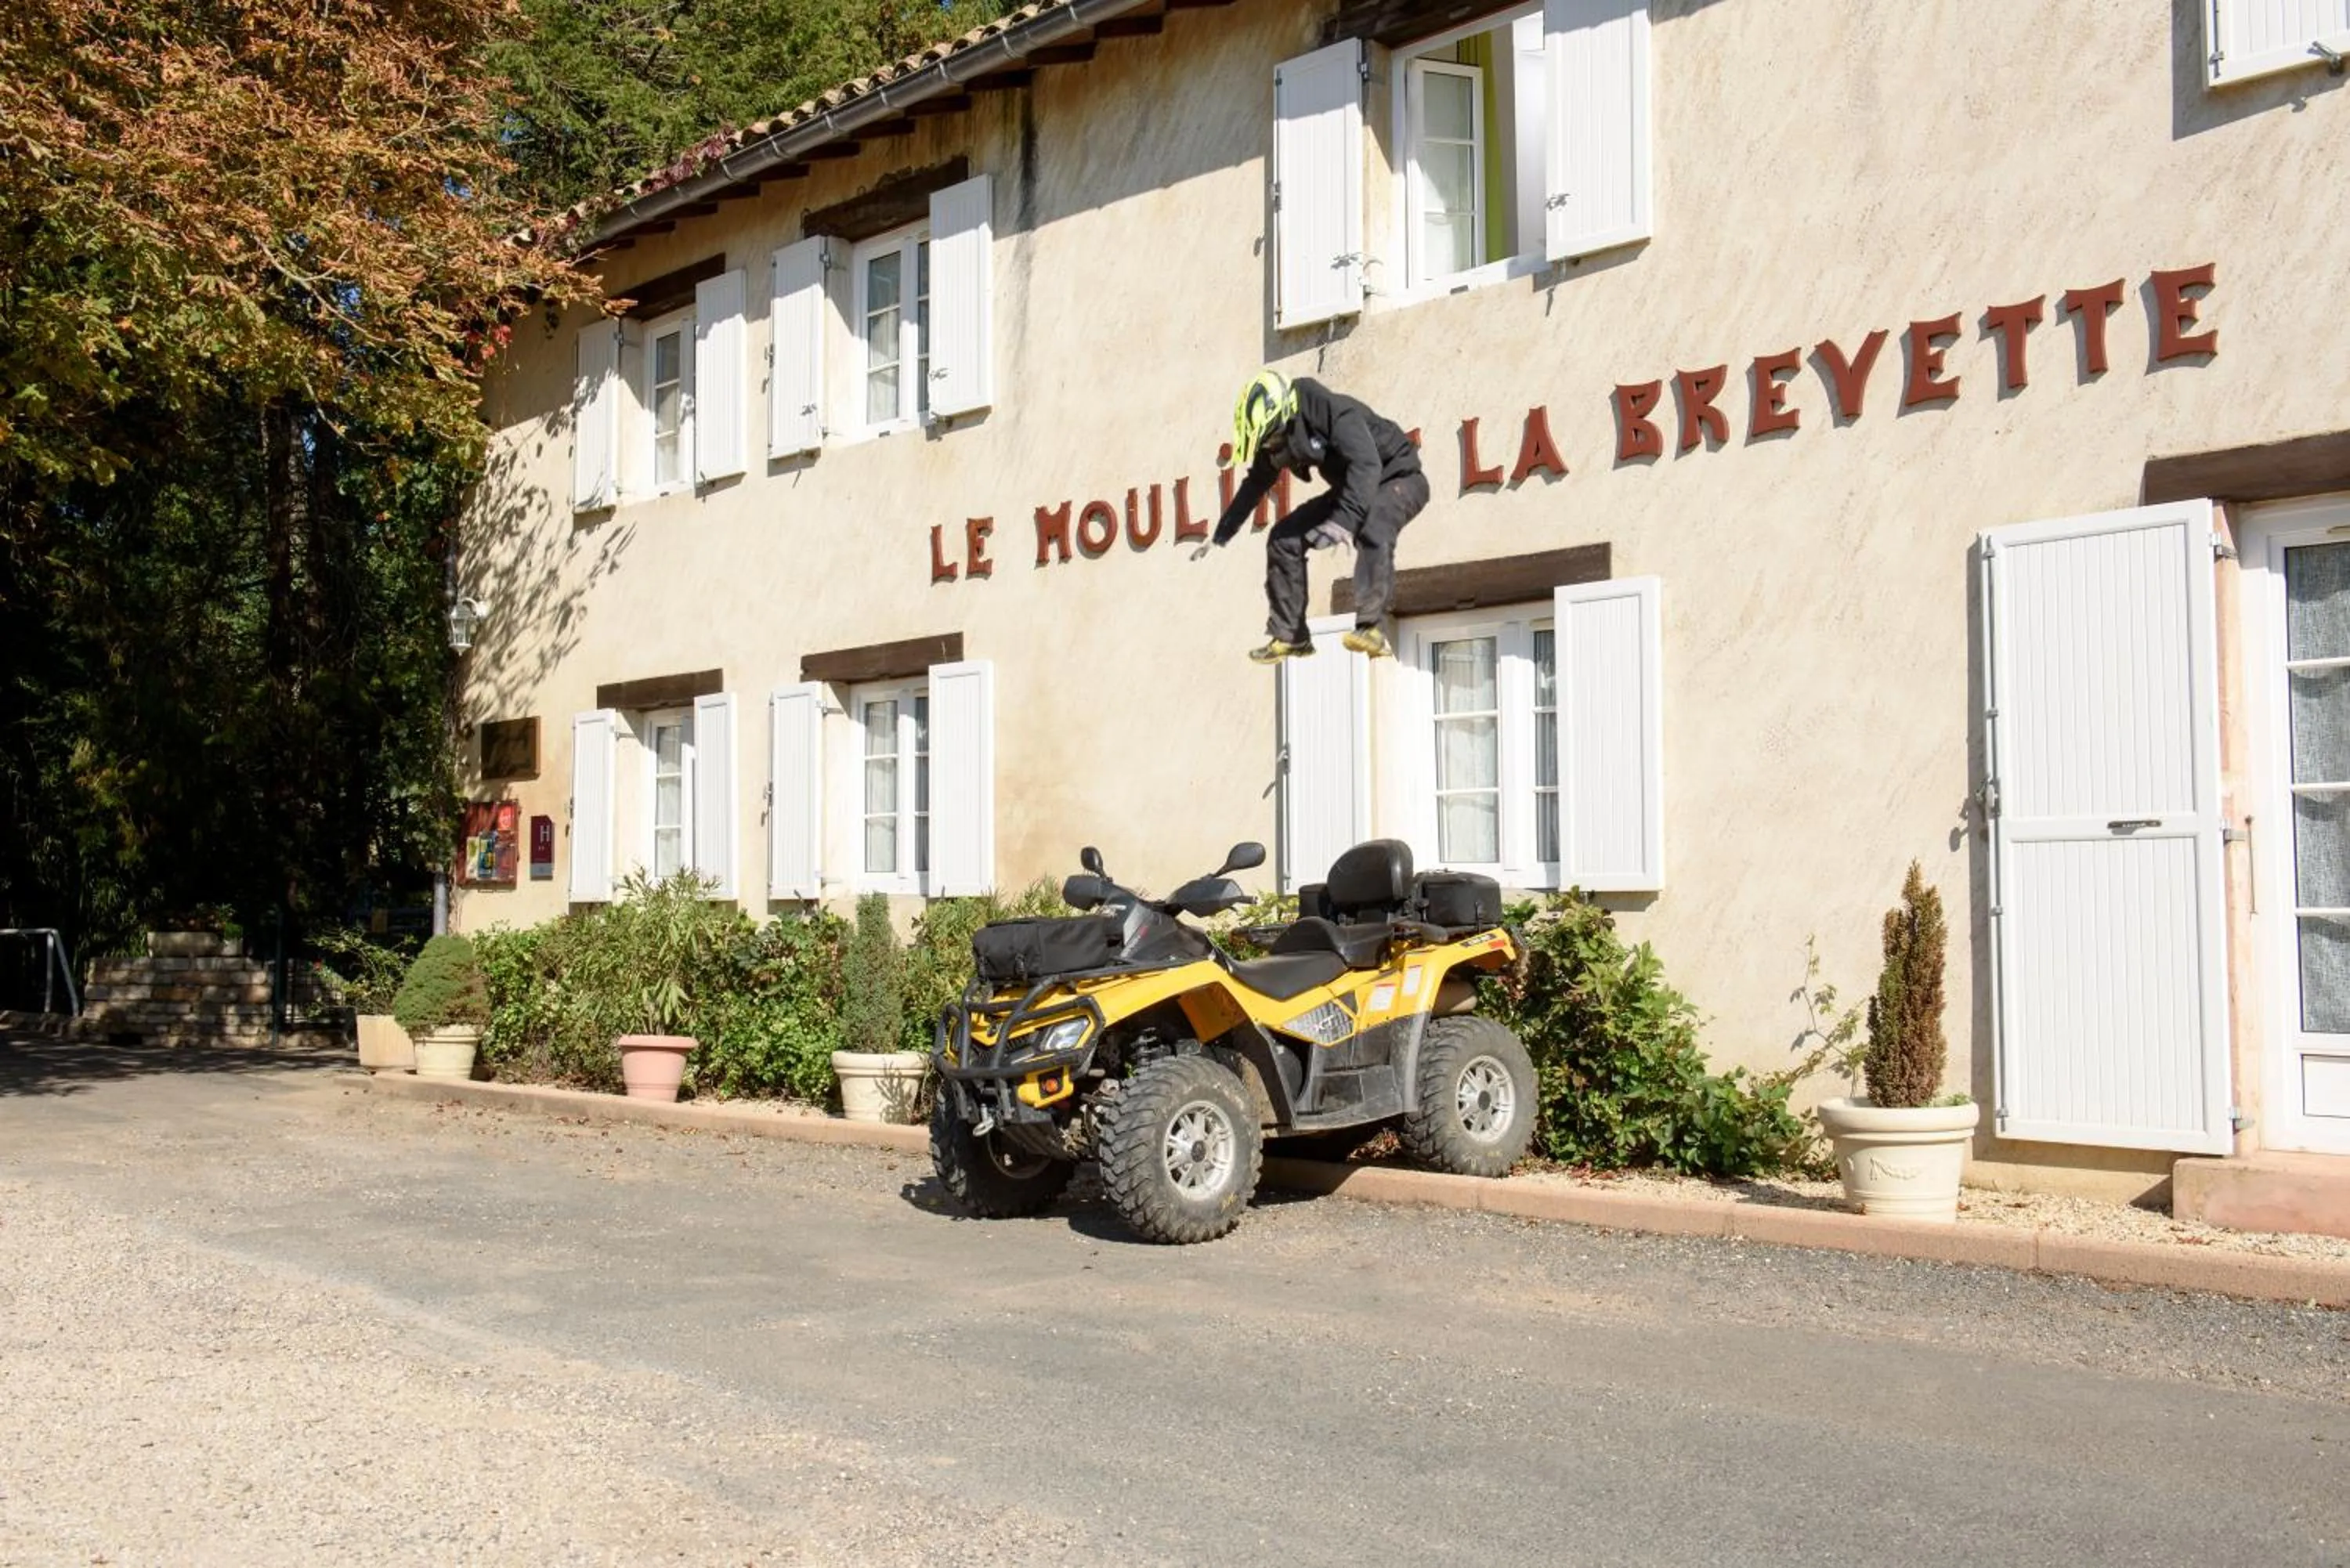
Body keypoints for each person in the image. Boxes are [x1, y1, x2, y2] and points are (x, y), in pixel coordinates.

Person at [1192, 370, 1429, 663]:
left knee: (1373, 525)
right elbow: (1255, 485)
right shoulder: (1275, 440)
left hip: (1399, 478)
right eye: (1267, 442)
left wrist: (1344, 523)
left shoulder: (1329, 410)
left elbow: (1367, 464)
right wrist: (1221, 534)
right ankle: (1291, 636)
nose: (1272, 447)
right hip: (1353, 487)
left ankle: (1372, 628)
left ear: (1286, 414)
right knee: (1283, 538)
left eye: (1274, 438)